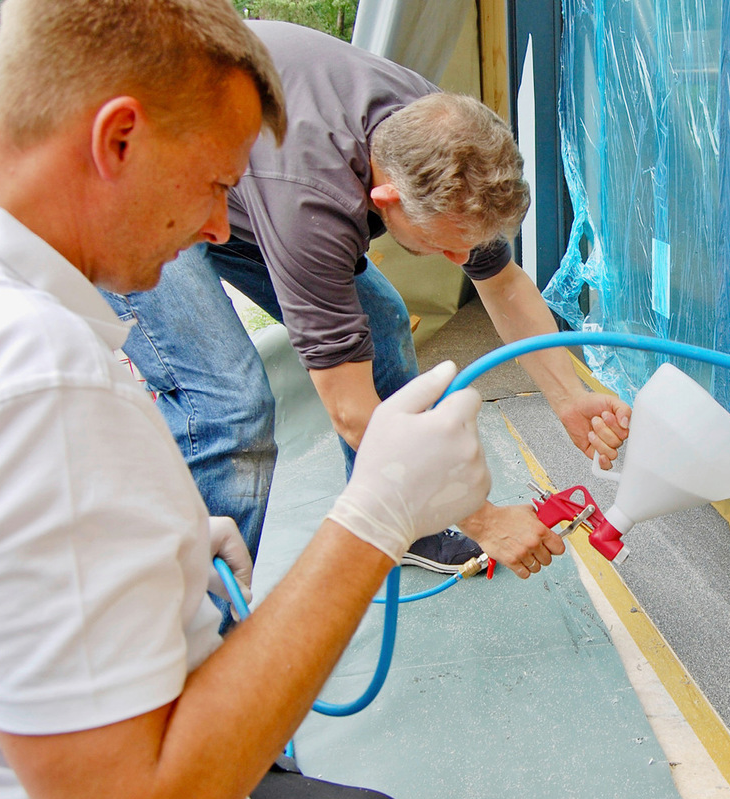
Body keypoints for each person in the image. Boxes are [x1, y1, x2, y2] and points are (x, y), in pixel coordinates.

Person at [0, 2, 491, 799]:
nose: (221, 226)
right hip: (185, 780)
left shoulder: (41, 333)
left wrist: (174, 546)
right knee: (228, 405)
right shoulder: (50, 382)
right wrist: (377, 514)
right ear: (119, 139)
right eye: (219, 182)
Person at [101, 20, 632, 584]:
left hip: (242, 168)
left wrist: (568, 396)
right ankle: (203, 625)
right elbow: (352, 409)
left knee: (379, 325)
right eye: (441, 245)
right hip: (129, 182)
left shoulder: (441, 137)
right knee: (228, 408)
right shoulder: (316, 206)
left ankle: (401, 523)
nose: (458, 260)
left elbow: (501, 282)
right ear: (384, 198)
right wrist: (480, 518)